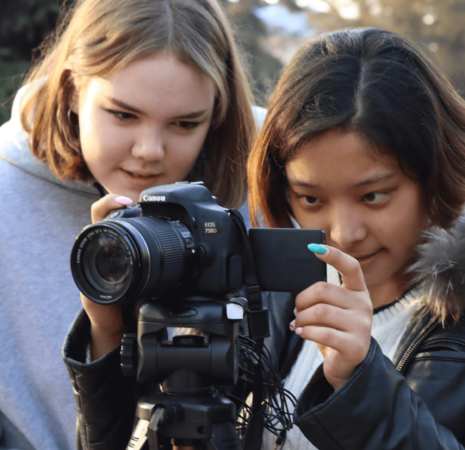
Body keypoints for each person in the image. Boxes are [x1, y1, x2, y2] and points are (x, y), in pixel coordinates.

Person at [63, 27, 465, 450]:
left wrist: (360, 380)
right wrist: (108, 331)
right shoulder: (277, 296)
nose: (345, 232)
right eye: (310, 198)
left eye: (374, 196)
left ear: (437, 173)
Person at [0, 0, 260, 448]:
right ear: (71, 93)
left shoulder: (266, 178)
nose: (150, 151)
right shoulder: (7, 195)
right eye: (123, 115)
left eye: (184, 123)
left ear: (216, 116)